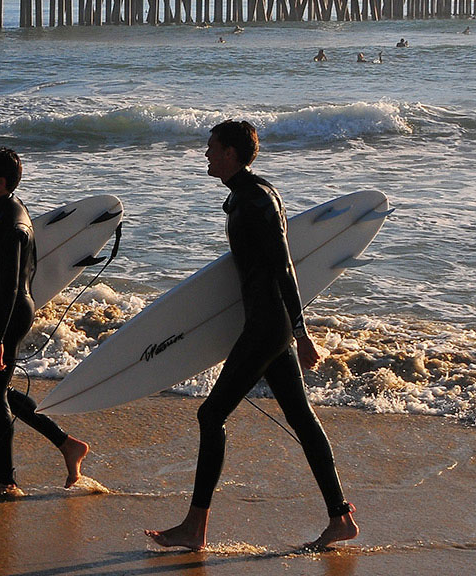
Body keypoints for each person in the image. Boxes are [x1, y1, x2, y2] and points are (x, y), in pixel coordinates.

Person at [147, 121, 358, 551]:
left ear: (230, 153)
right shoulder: (246, 196)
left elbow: (284, 267)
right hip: (265, 324)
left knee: (211, 415)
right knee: (300, 418)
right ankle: (339, 518)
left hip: (267, 327)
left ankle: (195, 527)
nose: (206, 154)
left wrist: (301, 333)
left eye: (211, 148)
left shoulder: (256, 200)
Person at [0, 147, 89, 501]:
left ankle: (6, 482)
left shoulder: (12, 223)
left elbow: (11, 284)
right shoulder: (3, 210)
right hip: (8, 309)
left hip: (11, 311)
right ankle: (67, 445)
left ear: (0, 182)